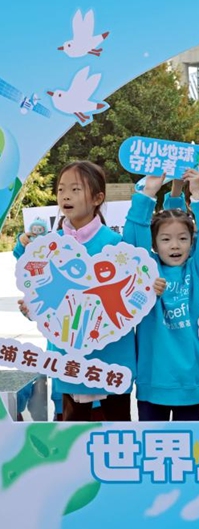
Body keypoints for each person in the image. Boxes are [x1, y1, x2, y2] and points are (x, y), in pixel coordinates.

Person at [15, 161, 135, 421]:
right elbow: (42, 295)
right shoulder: (48, 246)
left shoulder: (116, 245)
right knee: (71, 442)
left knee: (114, 440)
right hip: (68, 360)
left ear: (98, 198)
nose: (65, 195)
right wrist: (32, 308)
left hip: (108, 361)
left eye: (75, 189)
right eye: (60, 189)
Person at [123, 169, 199, 421]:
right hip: (153, 382)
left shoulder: (198, 269)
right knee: (153, 453)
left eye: (183, 239)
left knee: (192, 453)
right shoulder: (146, 270)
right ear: (154, 244)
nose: (175, 245)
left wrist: (198, 193)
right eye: (166, 239)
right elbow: (133, 239)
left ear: (192, 242)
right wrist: (148, 194)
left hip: (196, 384)